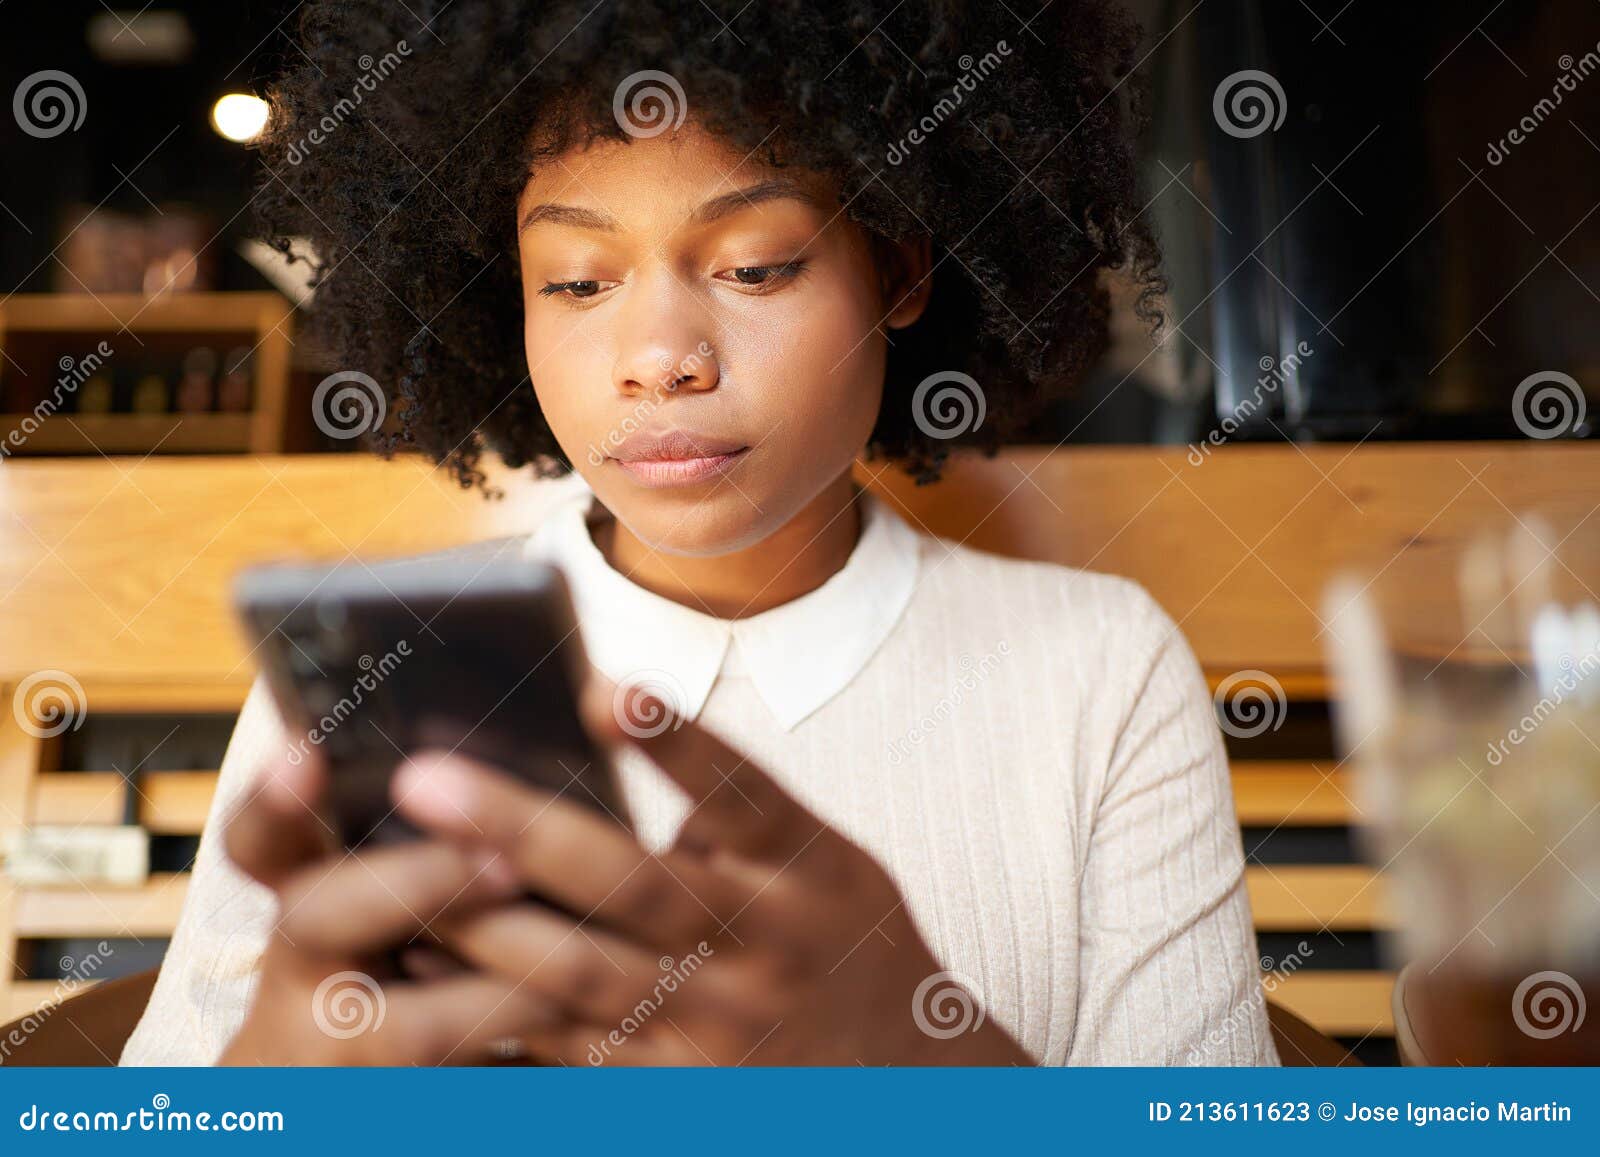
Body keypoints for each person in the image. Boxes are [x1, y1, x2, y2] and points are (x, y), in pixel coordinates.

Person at [120, 0, 1275, 1066]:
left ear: (900, 269)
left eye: (755, 266)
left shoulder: (1098, 672)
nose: (660, 353)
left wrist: (922, 1051)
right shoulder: (375, 669)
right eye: (576, 282)